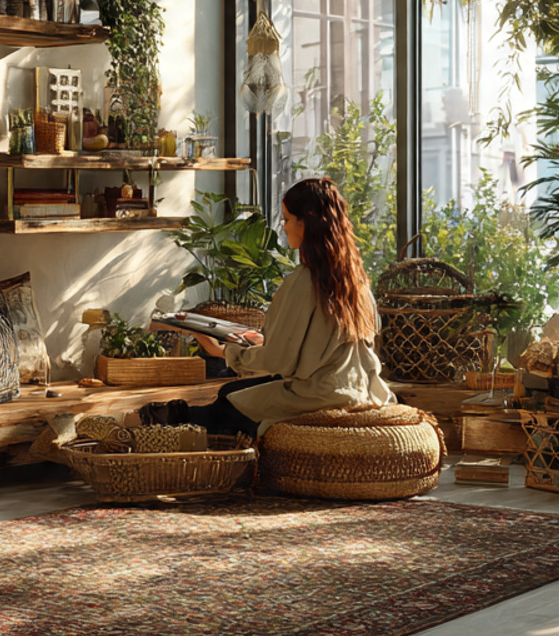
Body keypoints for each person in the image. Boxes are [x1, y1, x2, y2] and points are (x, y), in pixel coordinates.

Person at [142, 176, 394, 440]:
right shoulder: (357, 281)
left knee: (229, 401)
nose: (284, 227)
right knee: (234, 395)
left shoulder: (304, 281)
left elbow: (278, 360)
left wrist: (230, 352)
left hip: (321, 397)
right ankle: (165, 419)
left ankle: (157, 424)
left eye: (286, 220)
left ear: (305, 222)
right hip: (363, 391)